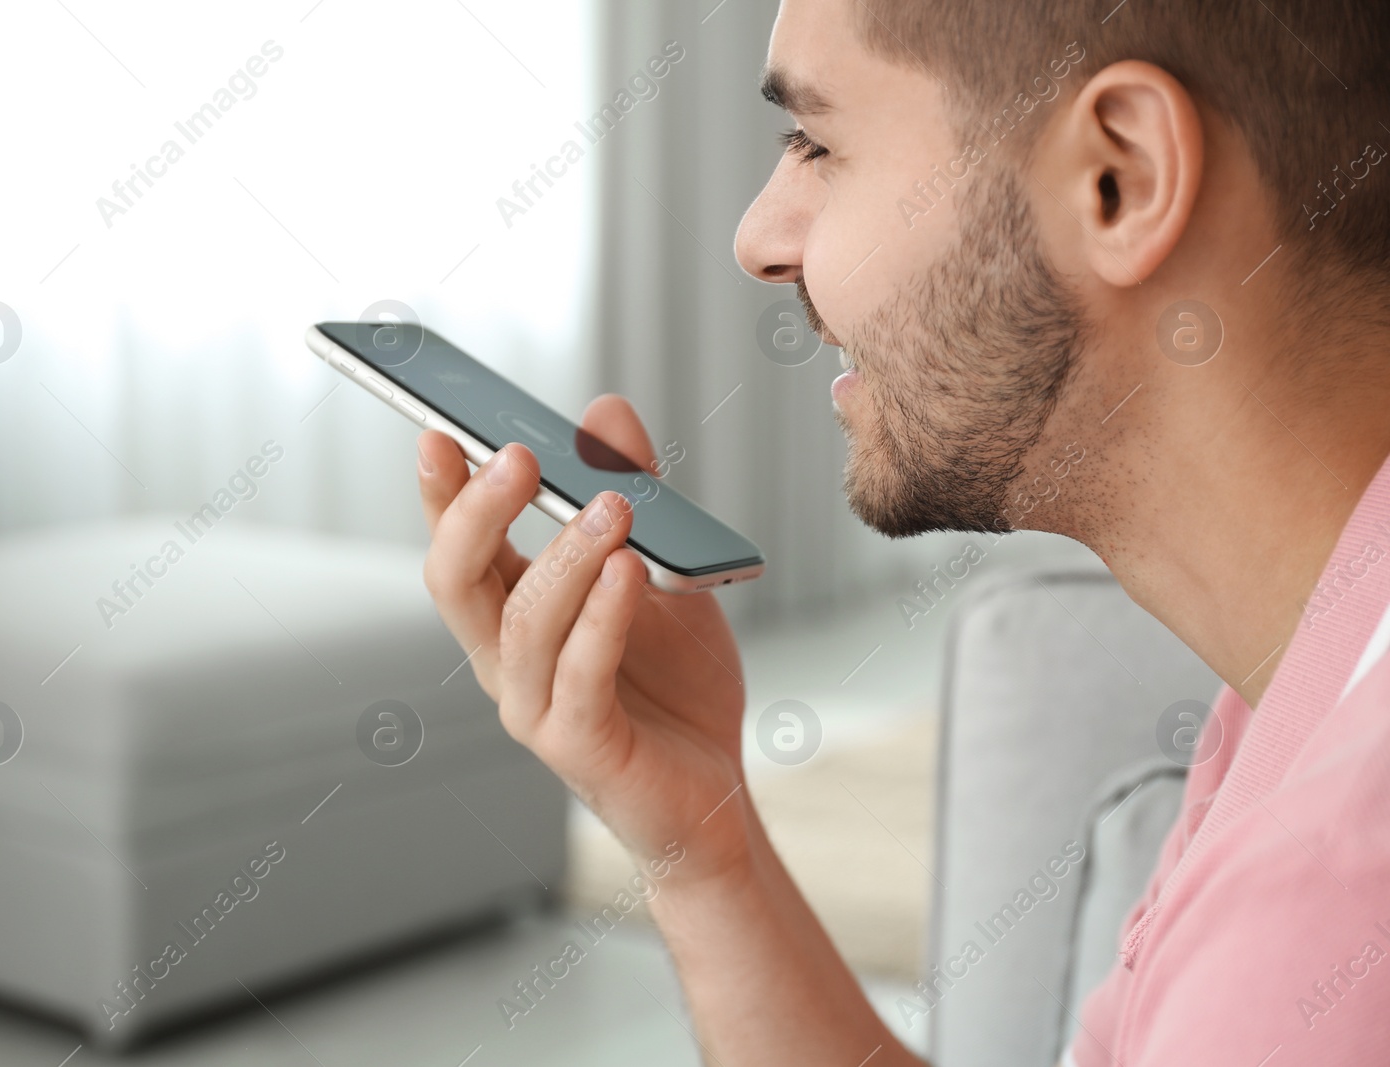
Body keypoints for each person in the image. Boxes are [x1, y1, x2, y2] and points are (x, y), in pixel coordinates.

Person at [413, 0, 1390, 1062]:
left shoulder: (1321, 912)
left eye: (819, 144)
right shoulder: (1301, 682)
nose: (757, 240)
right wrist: (702, 845)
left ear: (1122, 178)